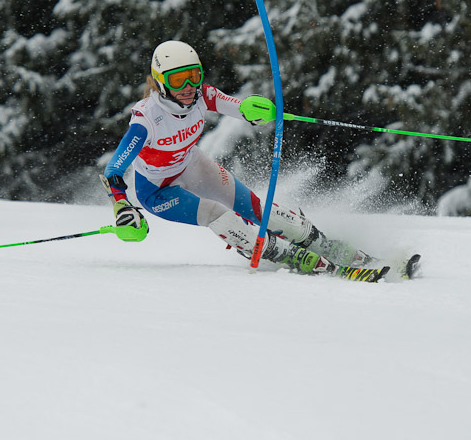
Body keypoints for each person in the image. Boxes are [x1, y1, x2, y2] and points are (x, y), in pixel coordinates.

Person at [101, 40, 382, 280]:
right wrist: (122, 207)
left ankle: (325, 245)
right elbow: (114, 169)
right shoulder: (147, 119)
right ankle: (291, 256)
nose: (188, 86)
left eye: (194, 75)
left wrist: (252, 109)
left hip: (191, 165)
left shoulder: (202, 96)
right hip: (157, 190)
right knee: (215, 213)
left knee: (256, 208)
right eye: (177, 79)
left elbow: (235, 106)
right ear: (160, 80)